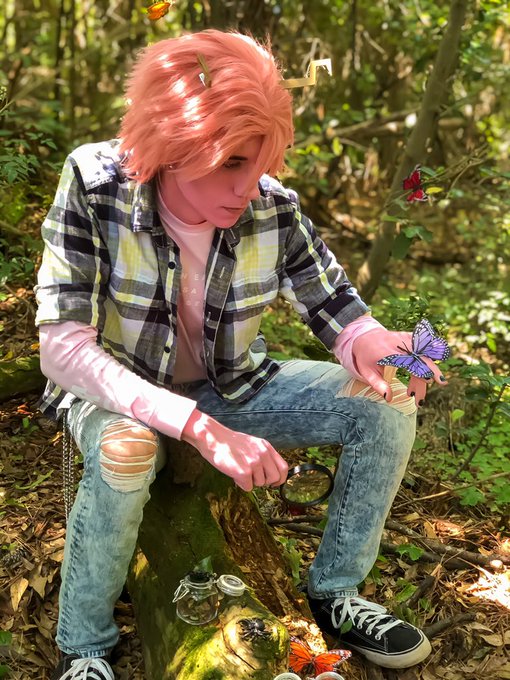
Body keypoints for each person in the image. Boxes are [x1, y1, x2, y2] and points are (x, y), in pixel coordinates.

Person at [35, 29, 446, 680]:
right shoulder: (96, 184)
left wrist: (370, 340)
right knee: (127, 449)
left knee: (386, 403)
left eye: (261, 165)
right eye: (231, 163)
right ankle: (85, 646)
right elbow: (62, 347)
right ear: (170, 141)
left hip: (230, 386)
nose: (249, 187)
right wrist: (199, 430)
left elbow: (331, 299)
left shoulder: (271, 208)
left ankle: (337, 593)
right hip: (118, 396)